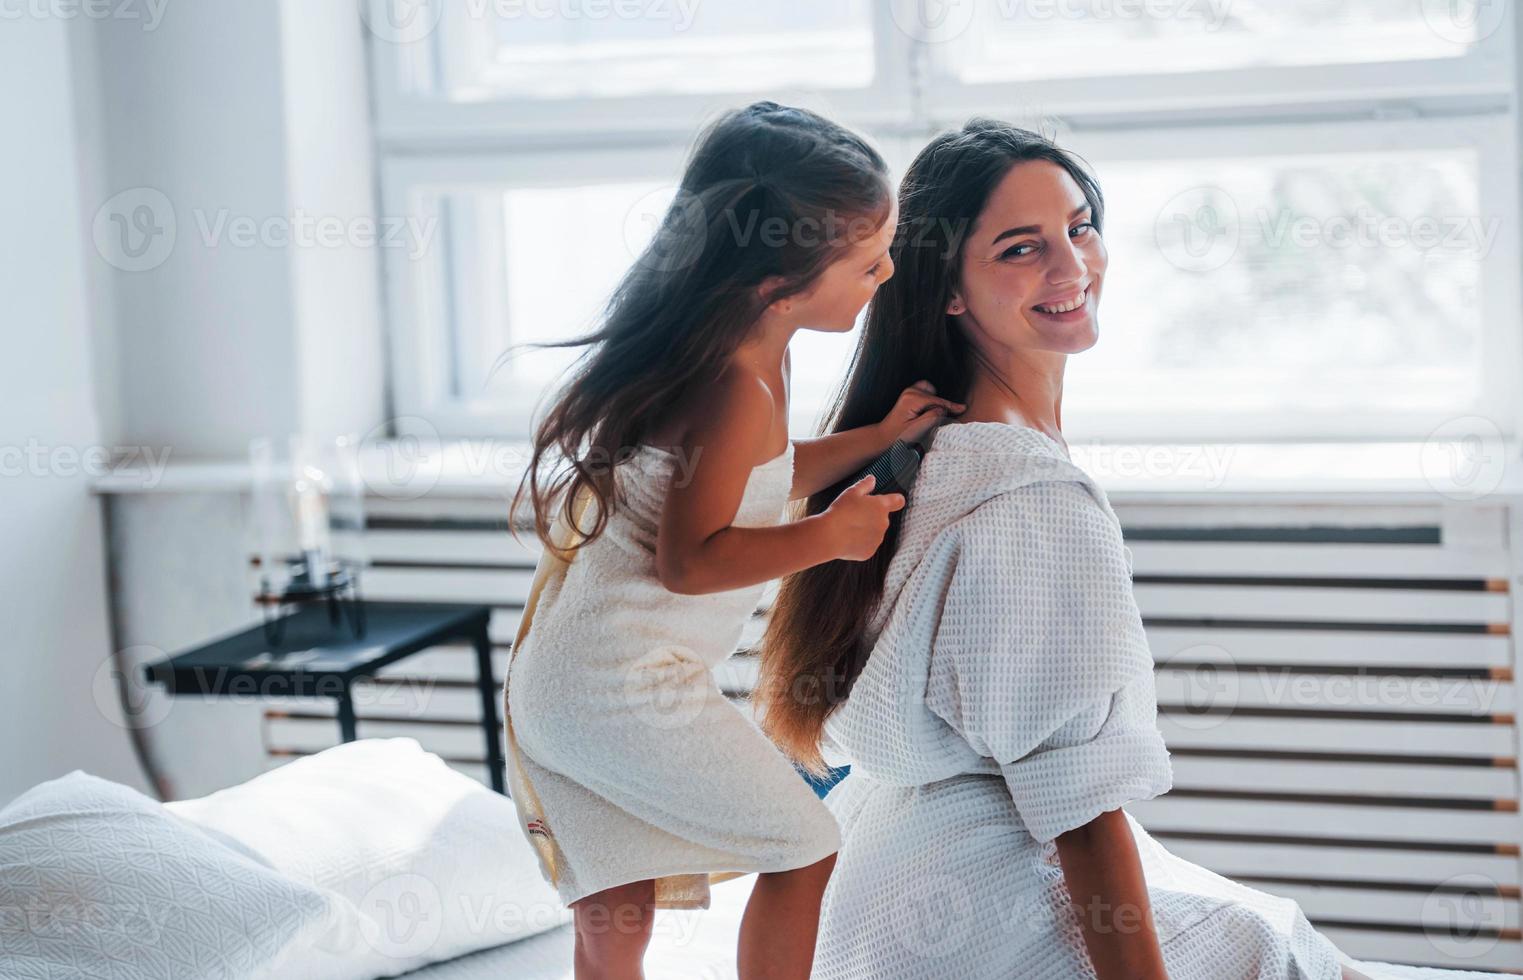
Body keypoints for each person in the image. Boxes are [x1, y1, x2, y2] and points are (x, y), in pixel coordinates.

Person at [758, 118, 1374, 980]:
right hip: (983, 913)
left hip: (895, 903)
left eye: (1079, 227)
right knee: (1284, 952)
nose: (1071, 266)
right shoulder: (1028, 497)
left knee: (1269, 931)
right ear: (947, 289)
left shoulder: (922, 449)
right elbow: (1080, 812)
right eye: (1020, 248)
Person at [504, 100, 963, 980]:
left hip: (567, 682)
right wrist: (829, 538)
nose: (887, 272)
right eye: (868, 263)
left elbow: (753, 481)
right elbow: (692, 560)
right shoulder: (734, 386)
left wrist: (874, 437)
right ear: (778, 285)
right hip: (614, 689)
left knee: (616, 906)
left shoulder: (751, 351)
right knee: (803, 844)